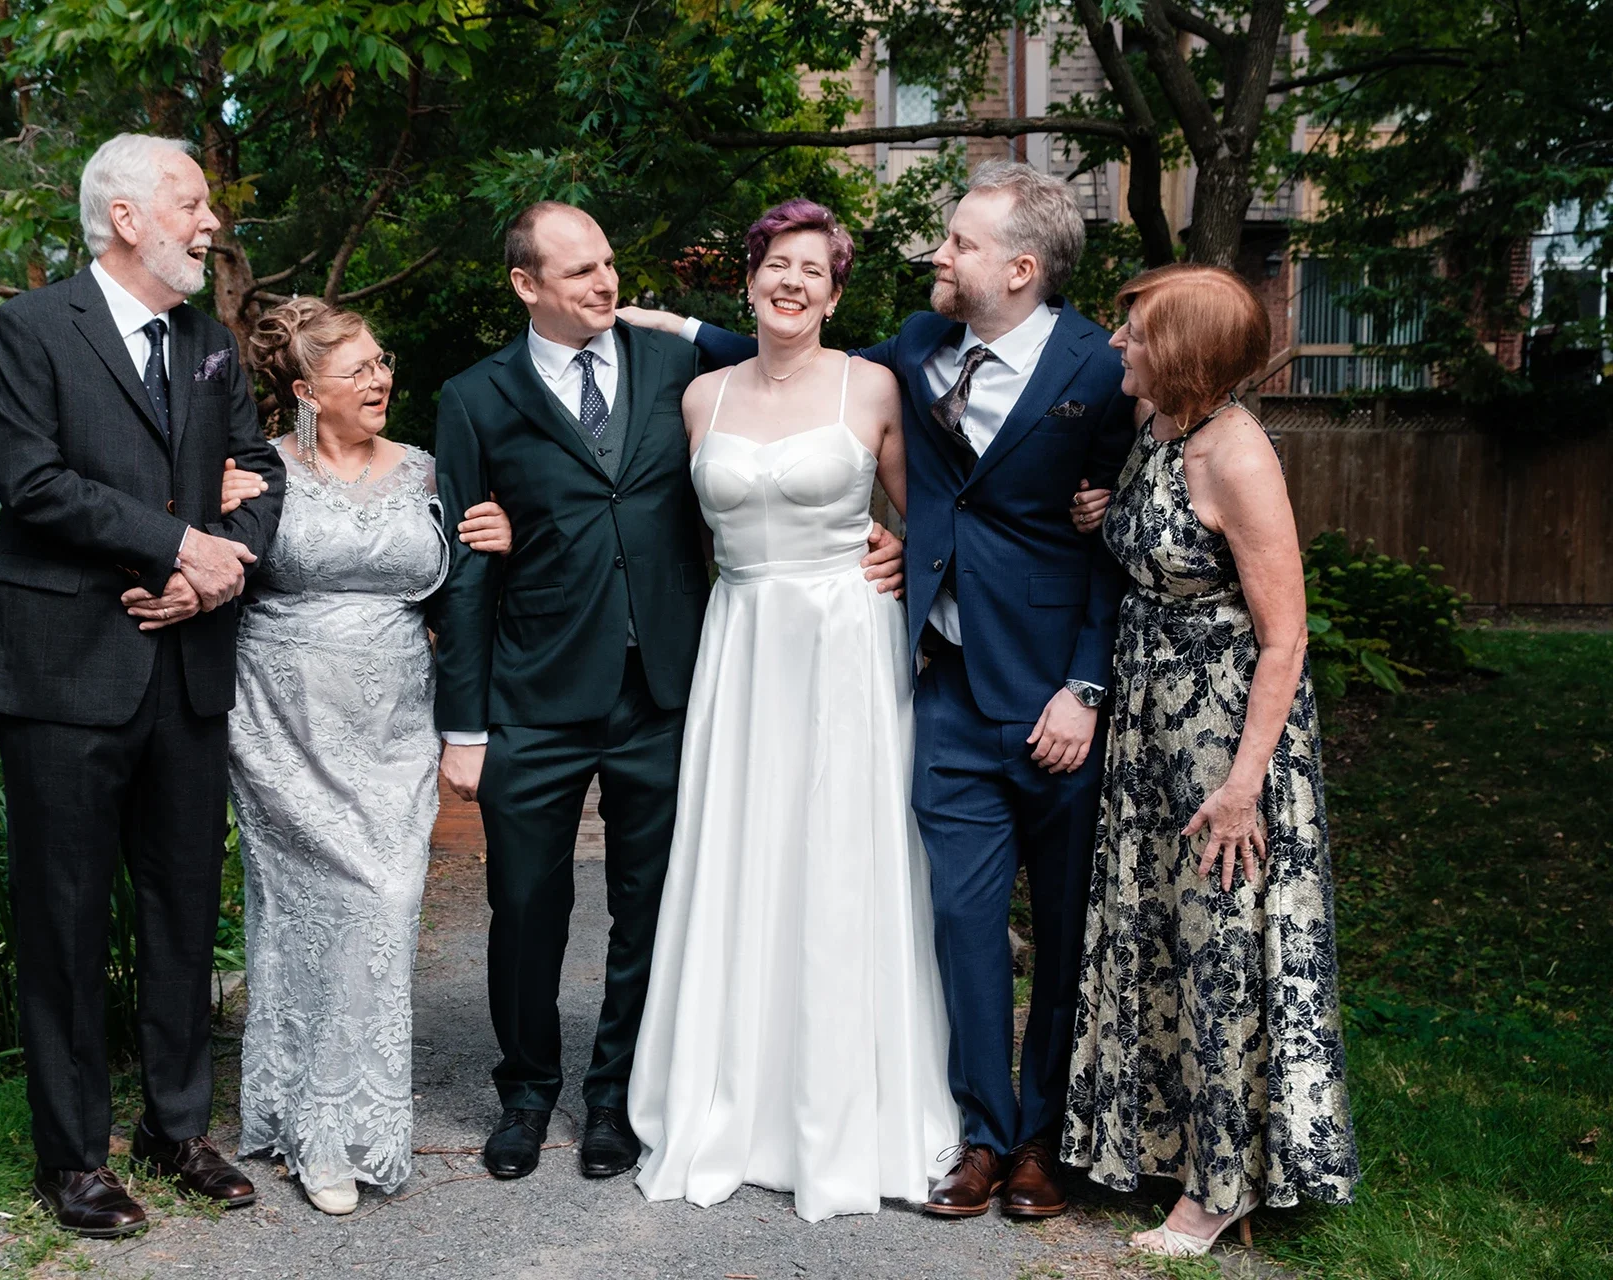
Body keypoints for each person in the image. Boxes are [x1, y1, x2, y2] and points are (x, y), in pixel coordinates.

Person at [623, 160, 1137, 1220]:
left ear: (1021, 266)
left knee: (1064, 917)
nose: (938, 256)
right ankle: (982, 1132)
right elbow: (779, 358)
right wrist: (679, 326)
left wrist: (1087, 680)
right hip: (934, 679)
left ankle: (1041, 1138)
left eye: (957, 243)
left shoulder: (1097, 367)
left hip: (1048, 684)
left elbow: (1119, 546)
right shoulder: (916, 348)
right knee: (952, 915)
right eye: (779, 264)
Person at [429, 202, 903, 1185]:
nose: (606, 284)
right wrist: (463, 720)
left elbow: (785, 360)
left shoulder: (681, 374)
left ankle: (617, 1095)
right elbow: (467, 568)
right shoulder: (475, 398)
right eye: (581, 273)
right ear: (526, 286)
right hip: (535, 687)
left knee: (653, 903)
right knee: (525, 901)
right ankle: (526, 1091)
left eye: (610, 262)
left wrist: (890, 538)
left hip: (669, 686)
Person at [0, 133, 284, 1237]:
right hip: (67, 670)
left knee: (183, 906)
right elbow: (36, 483)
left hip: (187, 664)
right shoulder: (29, 329)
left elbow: (263, 470)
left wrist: (213, 572)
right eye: (192, 204)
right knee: (61, 921)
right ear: (125, 218)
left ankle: (175, 1124)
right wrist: (177, 542)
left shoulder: (209, 341)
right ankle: (71, 1157)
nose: (210, 222)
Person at [627, 200, 958, 1222]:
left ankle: (844, 1107)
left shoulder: (875, 385)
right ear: (751, 276)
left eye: (815, 269)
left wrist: (906, 555)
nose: (794, 281)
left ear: (838, 291)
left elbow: (926, 516)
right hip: (743, 642)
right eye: (778, 262)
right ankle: (732, 1097)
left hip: (843, 641)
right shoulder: (701, 398)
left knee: (837, 857)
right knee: (743, 853)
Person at [1060, 264, 1359, 1254]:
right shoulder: (1162, 428)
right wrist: (1113, 524)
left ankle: (1219, 1185)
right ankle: (1157, 1143)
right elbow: (1171, 546)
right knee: (1160, 941)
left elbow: (1286, 635)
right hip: (1149, 726)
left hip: (1220, 739)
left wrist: (1242, 787)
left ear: (1181, 355)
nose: (1116, 343)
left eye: (1135, 330)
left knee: (1219, 953)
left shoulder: (1238, 455)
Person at [222, 299, 513, 1216]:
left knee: (382, 910)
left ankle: (318, 1107)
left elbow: (460, 592)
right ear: (308, 392)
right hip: (281, 721)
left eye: (382, 362)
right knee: (319, 909)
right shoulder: (257, 469)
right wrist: (197, 505)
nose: (380, 378)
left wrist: (498, 545)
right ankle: (318, 1131)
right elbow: (199, 551)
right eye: (357, 370)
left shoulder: (429, 470)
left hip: (393, 729)